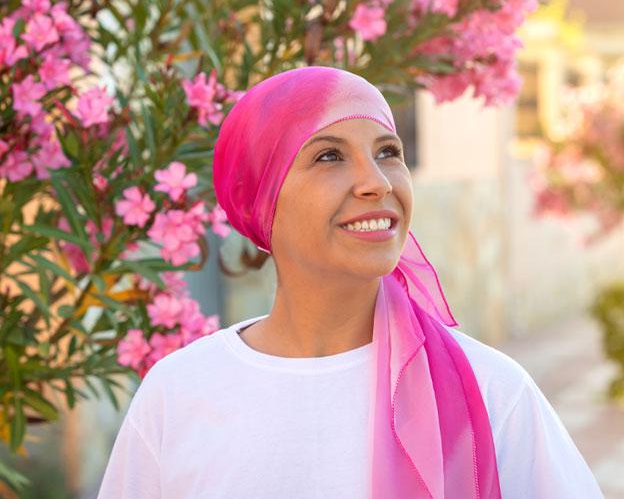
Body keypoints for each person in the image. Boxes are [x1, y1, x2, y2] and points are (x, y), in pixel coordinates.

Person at [97, 66, 605, 498]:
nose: (378, 182)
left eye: (388, 152)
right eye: (329, 156)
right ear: (261, 198)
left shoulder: (491, 391)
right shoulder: (179, 392)